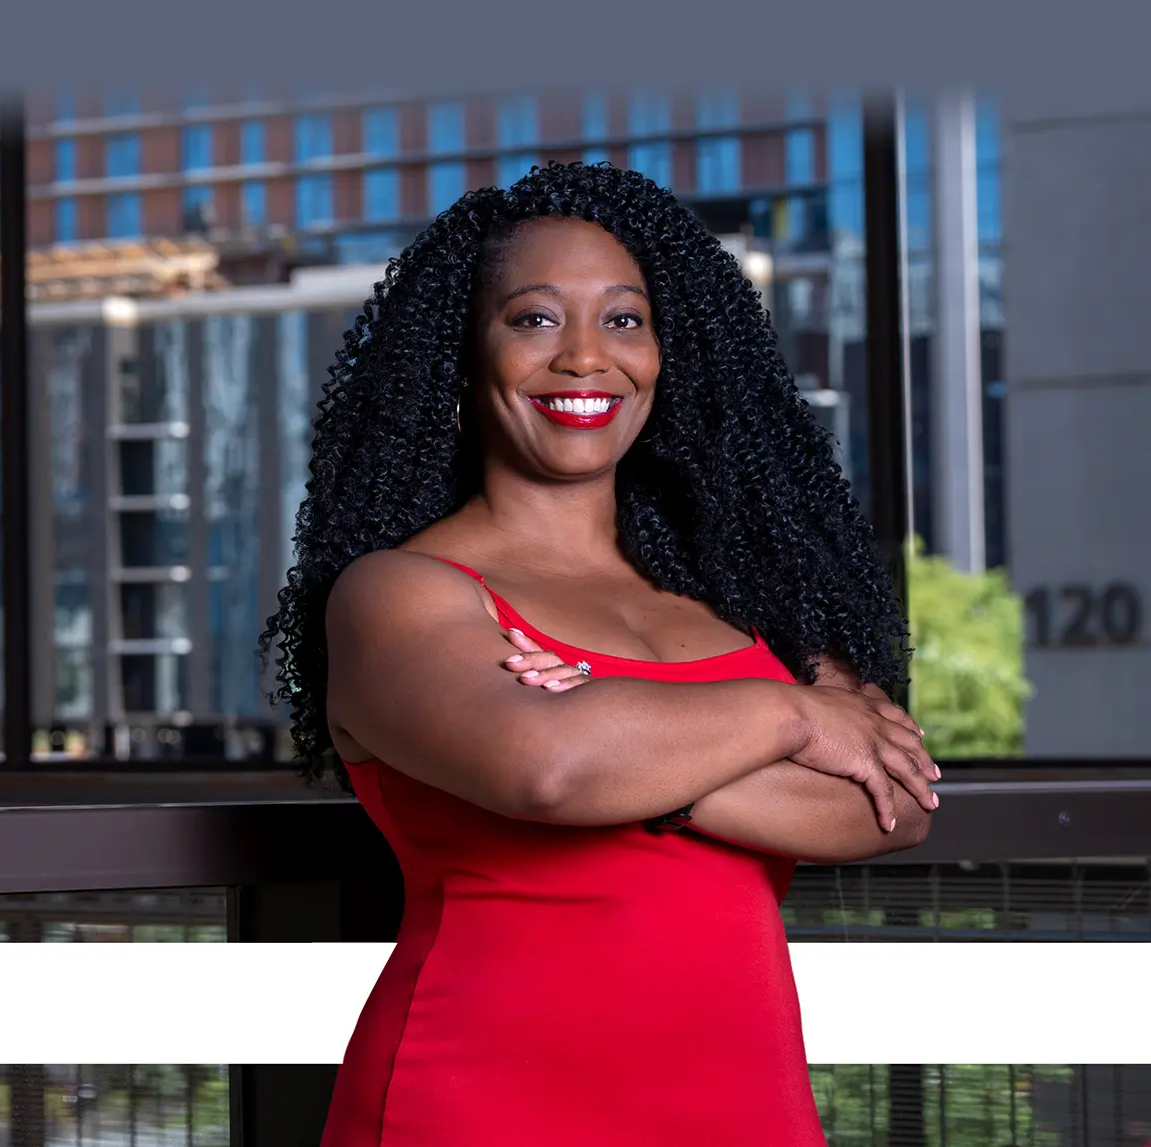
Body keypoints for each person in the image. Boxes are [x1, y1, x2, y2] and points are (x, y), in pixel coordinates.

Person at [260, 162, 939, 1147]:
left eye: (624, 320)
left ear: (673, 354)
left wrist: (621, 735)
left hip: (742, 1108)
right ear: (462, 355)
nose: (584, 358)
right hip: (477, 1101)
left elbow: (894, 803)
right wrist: (789, 717)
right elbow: (549, 769)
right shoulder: (397, 592)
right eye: (534, 319)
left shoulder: (747, 597)